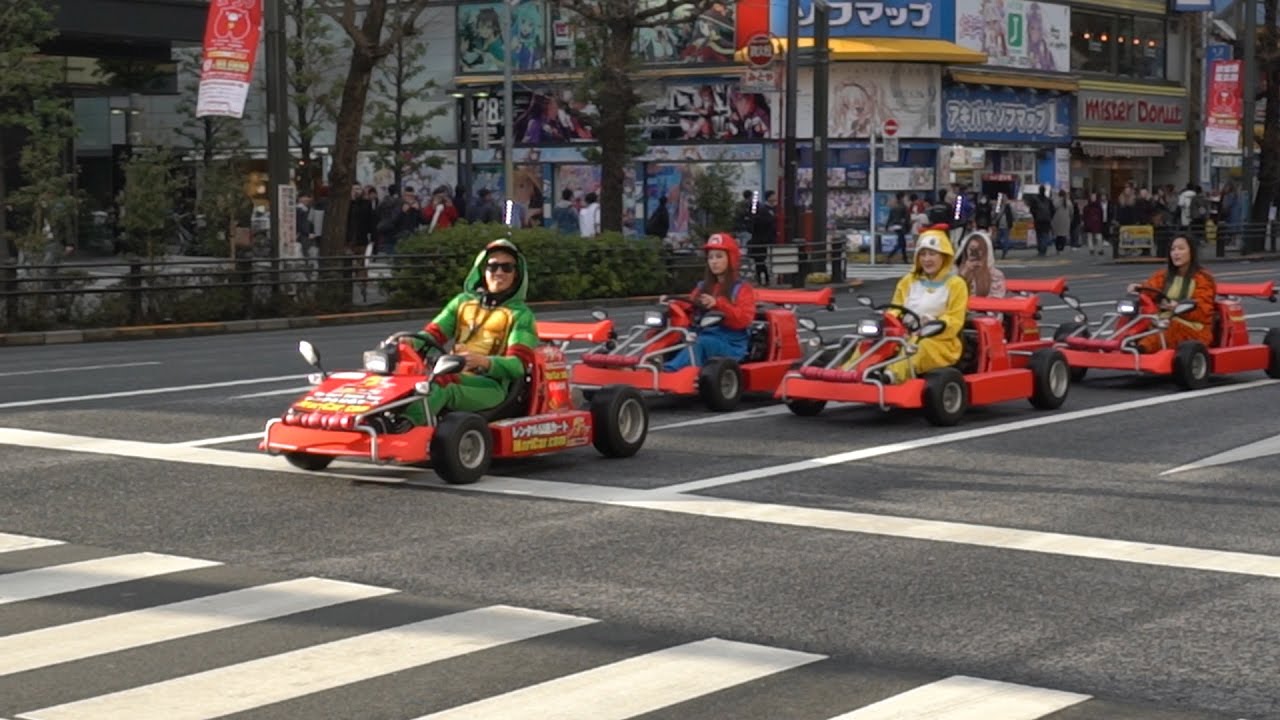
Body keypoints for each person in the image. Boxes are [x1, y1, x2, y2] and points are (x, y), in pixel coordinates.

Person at [399, 239, 539, 427]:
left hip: (492, 387)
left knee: (442, 385)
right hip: (455, 372)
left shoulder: (522, 315)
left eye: (507, 268)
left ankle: (403, 429)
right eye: (493, 267)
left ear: (517, 274)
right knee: (407, 379)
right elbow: (432, 335)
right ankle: (373, 420)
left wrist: (484, 362)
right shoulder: (462, 302)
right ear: (483, 270)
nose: (499, 273)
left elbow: (518, 366)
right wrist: (409, 342)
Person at [849, 226, 968, 384]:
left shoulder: (956, 284)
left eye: (932, 254)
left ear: (944, 257)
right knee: (872, 340)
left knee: (917, 346)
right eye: (923, 254)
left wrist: (934, 324)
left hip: (939, 340)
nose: (927, 259)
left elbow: (955, 319)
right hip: (905, 333)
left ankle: (890, 376)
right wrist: (887, 320)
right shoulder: (908, 281)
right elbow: (896, 308)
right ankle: (850, 371)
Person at [664, 233, 757, 371]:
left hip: (730, 343)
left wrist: (718, 304)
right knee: (671, 334)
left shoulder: (742, 289)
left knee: (702, 343)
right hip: (703, 334)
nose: (714, 261)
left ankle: (669, 370)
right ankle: (645, 362)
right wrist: (673, 303)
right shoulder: (703, 286)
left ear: (731, 259)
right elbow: (690, 304)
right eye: (711, 257)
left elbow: (744, 319)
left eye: (719, 256)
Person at [1126, 234, 1216, 354]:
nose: (1176, 253)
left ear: (1192, 252)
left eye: (1181, 249)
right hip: (1162, 319)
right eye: (1173, 249)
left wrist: (1177, 307)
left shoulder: (1203, 278)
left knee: (1170, 325)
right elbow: (1150, 288)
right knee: (1133, 316)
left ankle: (1141, 348)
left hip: (1194, 328)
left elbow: (1203, 310)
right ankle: (1120, 342)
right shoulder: (1163, 275)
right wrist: (1138, 289)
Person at [956, 231, 1006, 298]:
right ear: (965, 250)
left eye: (979, 249)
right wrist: (963, 275)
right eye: (971, 249)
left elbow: (996, 300)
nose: (974, 253)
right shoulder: (955, 272)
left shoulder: (995, 275)